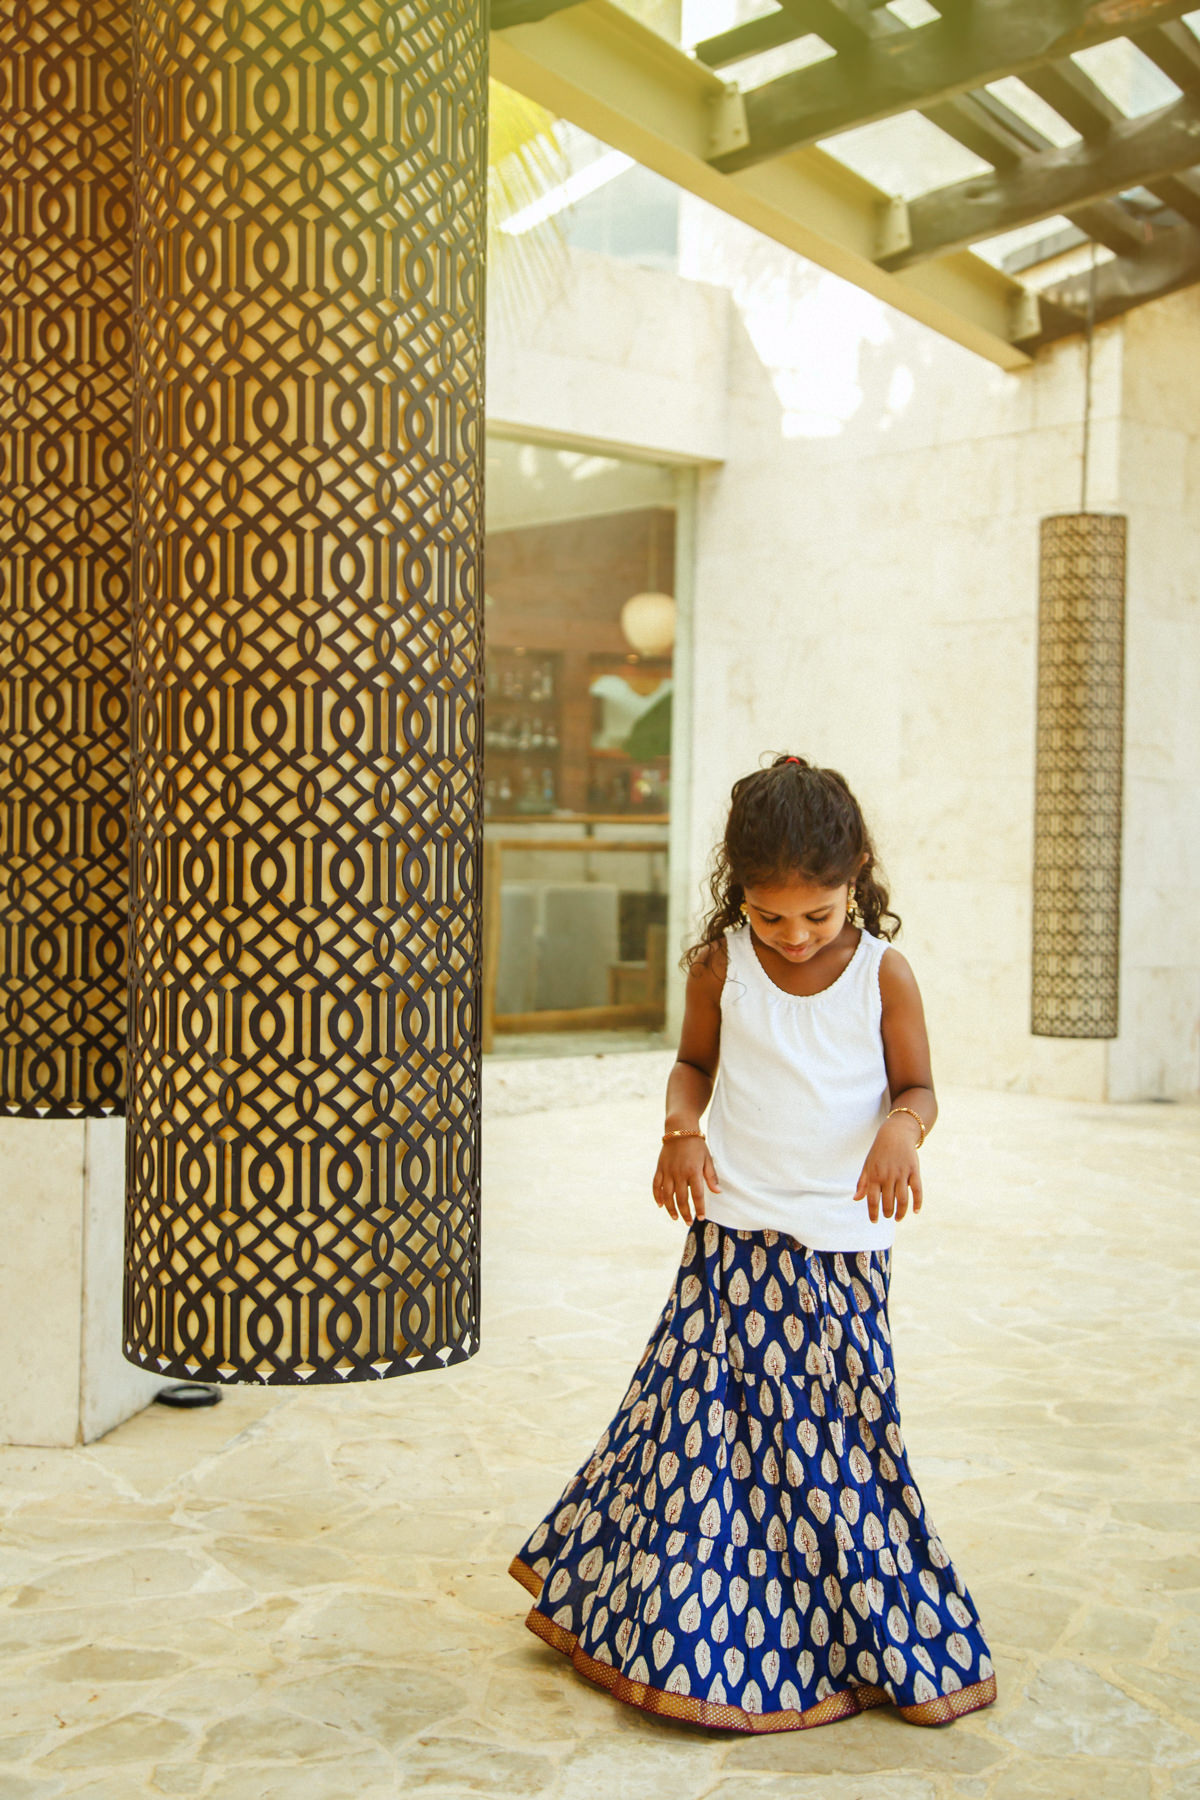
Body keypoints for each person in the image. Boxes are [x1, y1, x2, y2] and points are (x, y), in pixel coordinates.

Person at [508, 755, 996, 1734]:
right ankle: (686, 1629)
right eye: (773, 917)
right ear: (740, 894)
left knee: (832, 1448)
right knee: (699, 1438)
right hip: (729, 1241)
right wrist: (678, 1133)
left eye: (815, 915)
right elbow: (692, 1067)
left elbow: (919, 1088)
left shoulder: (882, 974)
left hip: (840, 1253)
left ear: (855, 871)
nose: (796, 935)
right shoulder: (719, 965)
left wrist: (904, 1130)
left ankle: (846, 1625)